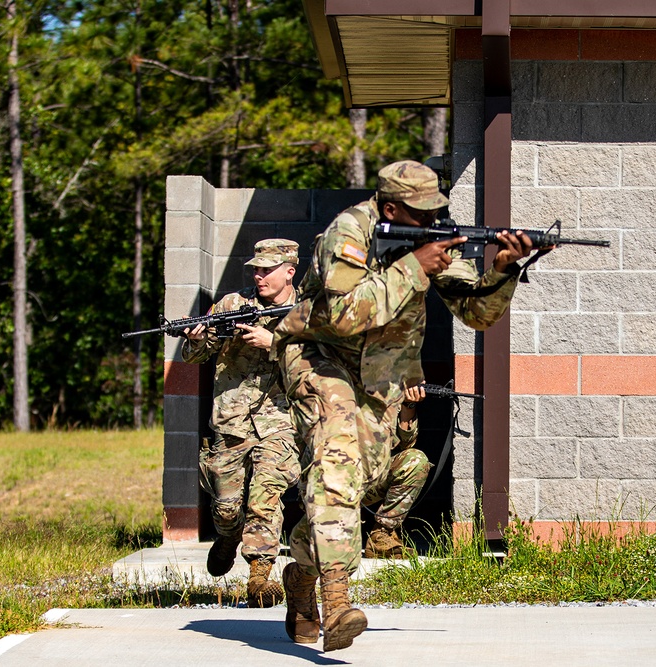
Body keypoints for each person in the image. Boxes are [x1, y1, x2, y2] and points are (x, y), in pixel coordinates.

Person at [273, 159, 539, 651]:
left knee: (355, 487)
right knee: (336, 459)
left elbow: (477, 314)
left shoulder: (430, 237)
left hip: (378, 378)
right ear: (392, 208)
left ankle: (303, 578)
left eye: (437, 210)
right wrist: (414, 267)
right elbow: (341, 315)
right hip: (319, 356)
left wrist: (502, 269)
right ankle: (337, 604)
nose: (433, 222)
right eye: (422, 213)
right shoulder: (349, 232)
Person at [182, 239, 301, 608]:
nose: (259, 275)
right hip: (231, 420)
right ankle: (228, 537)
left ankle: (259, 577)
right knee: (227, 508)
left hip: (281, 422)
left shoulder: (309, 312)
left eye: (267, 269)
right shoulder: (233, 305)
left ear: (289, 272)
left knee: (265, 497)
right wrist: (196, 340)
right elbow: (195, 357)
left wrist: (275, 342)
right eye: (256, 269)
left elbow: (323, 362)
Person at [362, 383, 430, 559]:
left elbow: (406, 443)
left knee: (415, 461)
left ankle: (382, 534)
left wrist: (408, 404)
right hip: (331, 482)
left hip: (369, 479)